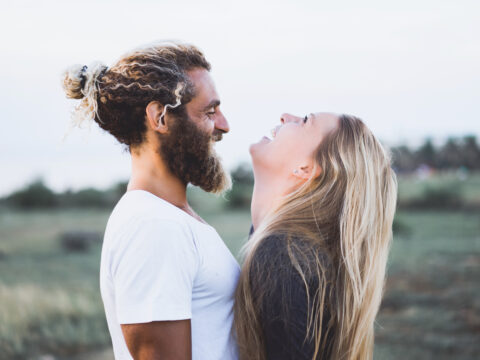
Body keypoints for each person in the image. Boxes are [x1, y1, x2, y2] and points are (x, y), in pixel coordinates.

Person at [62, 42, 240, 360]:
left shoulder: (173, 217)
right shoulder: (154, 226)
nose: (224, 125)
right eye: (210, 112)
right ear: (160, 117)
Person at [234, 113, 398, 360]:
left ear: (305, 169)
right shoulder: (280, 245)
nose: (285, 117)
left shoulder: (284, 255)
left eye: (304, 121)